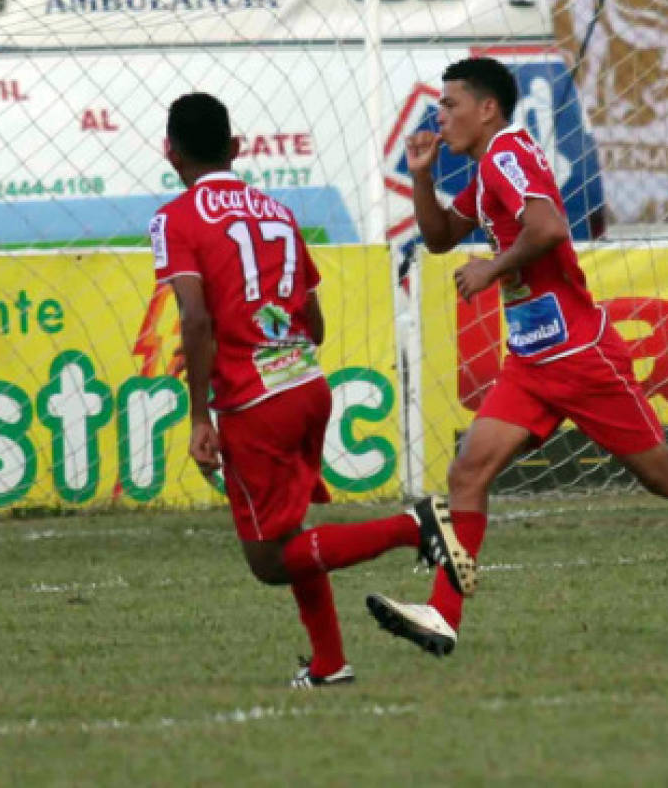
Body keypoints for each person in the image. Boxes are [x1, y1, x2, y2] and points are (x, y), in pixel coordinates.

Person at [364, 57, 668, 657]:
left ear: (486, 108)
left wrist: (492, 268)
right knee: (467, 471)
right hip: (531, 357)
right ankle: (443, 615)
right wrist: (422, 175)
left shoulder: (507, 156)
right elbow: (442, 236)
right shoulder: (488, 165)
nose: (440, 115)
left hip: (577, 353)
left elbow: (549, 228)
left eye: (450, 104)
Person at [150, 93, 473, 688]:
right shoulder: (276, 212)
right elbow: (314, 324)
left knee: (269, 561)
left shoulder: (174, 218)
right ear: (236, 148)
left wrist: (200, 415)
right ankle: (328, 664)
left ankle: (414, 527)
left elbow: (194, 317)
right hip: (306, 387)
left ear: (169, 151)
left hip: (254, 402)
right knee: (291, 534)